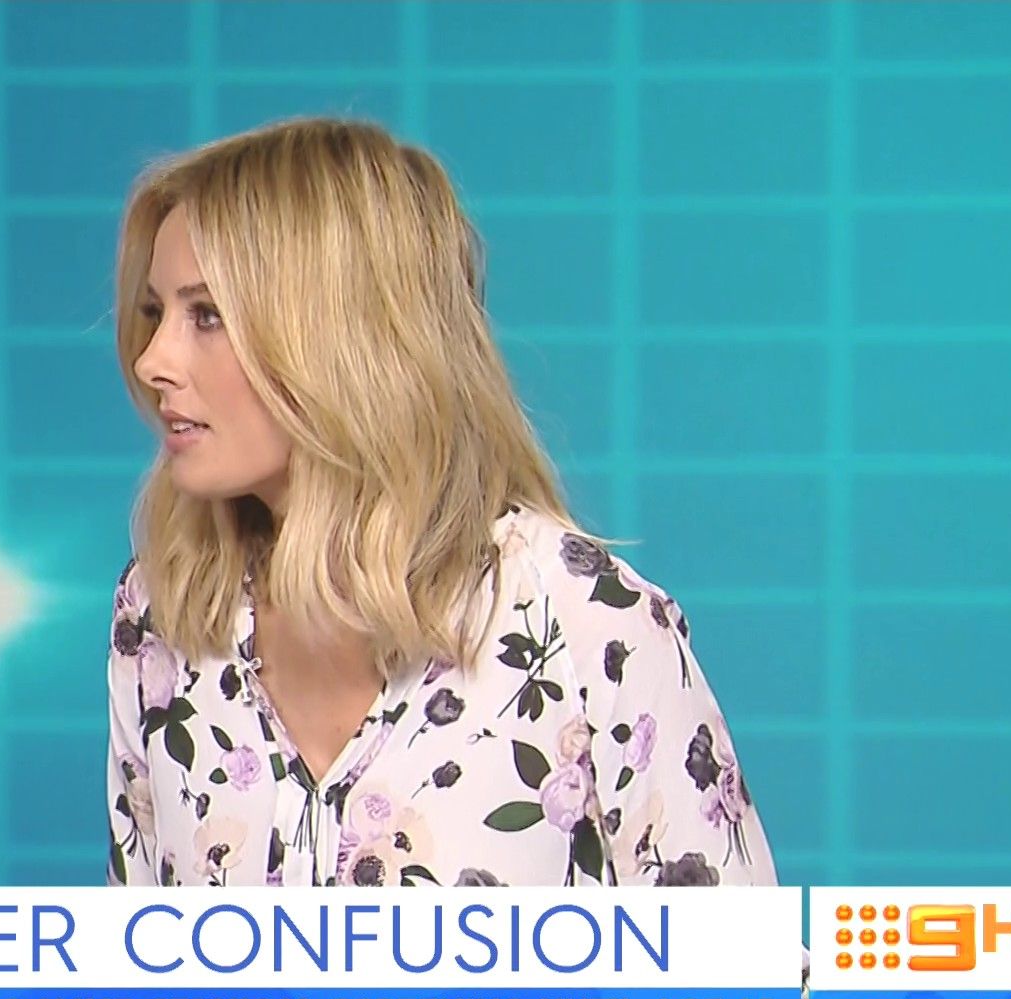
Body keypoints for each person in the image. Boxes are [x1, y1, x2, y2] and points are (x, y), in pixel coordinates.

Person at [106, 117, 776, 900]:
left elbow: (736, 972)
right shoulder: (161, 613)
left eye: (207, 315)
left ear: (343, 335)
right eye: (155, 313)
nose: (152, 361)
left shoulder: (582, 623)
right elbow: (140, 960)